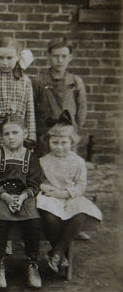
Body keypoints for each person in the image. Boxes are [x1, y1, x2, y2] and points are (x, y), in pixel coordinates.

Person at [36, 111, 102, 274]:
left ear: (71, 142)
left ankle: (57, 252)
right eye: (55, 142)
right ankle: (61, 255)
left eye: (63, 142)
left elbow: (81, 185)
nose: (59, 147)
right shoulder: (43, 161)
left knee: (79, 215)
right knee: (49, 216)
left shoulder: (78, 162)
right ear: (49, 142)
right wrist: (48, 190)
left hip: (69, 196)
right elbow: (38, 181)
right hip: (51, 197)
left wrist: (66, 194)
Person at [0, 115, 42, 289]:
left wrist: (23, 197)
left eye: (15, 132)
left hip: (24, 197)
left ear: (24, 133)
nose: (11, 137)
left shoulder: (31, 157)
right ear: (1, 136)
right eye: (6, 133)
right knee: (0, 220)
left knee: (34, 220)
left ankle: (32, 264)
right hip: (2, 197)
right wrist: (6, 197)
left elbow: (34, 184)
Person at [32, 36, 87, 157]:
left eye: (64, 56)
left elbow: (81, 109)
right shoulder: (38, 82)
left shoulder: (76, 82)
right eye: (55, 56)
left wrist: (74, 130)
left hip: (68, 136)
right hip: (45, 137)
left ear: (70, 57)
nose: (60, 60)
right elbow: (32, 110)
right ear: (49, 56)